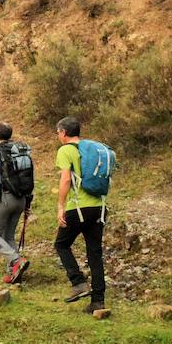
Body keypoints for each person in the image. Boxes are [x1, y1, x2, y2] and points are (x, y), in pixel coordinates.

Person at [54, 116, 107, 313]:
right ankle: (98, 301)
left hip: (78, 208)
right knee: (95, 253)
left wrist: (60, 206)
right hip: (99, 207)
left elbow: (66, 179)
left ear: (64, 133)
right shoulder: (93, 150)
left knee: (61, 244)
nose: (58, 136)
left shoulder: (66, 150)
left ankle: (78, 283)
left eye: (58, 132)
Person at [0, 123, 30, 284]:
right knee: (8, 236)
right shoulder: (19, 151)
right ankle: (14, 274)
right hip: (21, 200)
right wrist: (28, 202)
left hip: (3, 199)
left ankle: (17, 261)